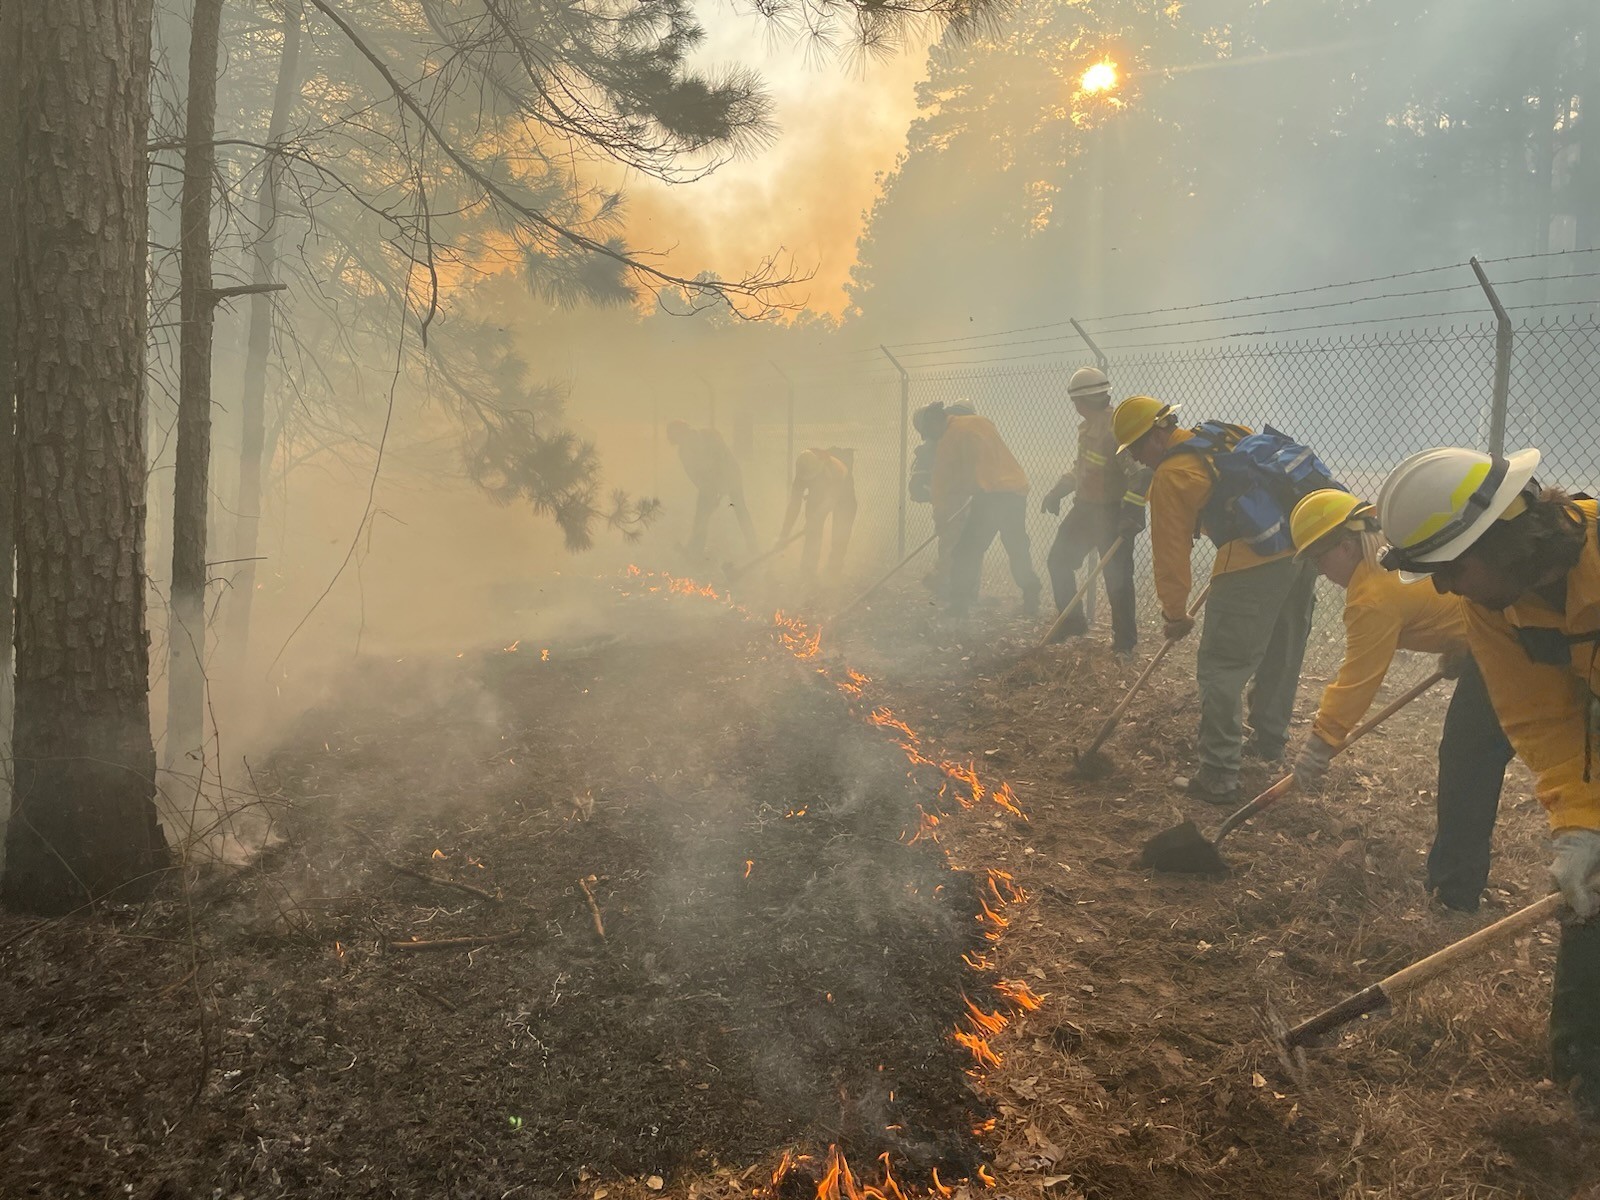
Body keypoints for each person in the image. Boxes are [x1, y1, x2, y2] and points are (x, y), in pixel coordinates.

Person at [1375, 445, 1600, 1114]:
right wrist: (1580, 824)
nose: (1444, 590)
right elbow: (1539, 719)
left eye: (1451, 569)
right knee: (1589, 899)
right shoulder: (1495, 605)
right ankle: (1582, 1086)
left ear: (1503, 538)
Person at [1288, 489, 1513, 912]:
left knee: (1469, 758)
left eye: (1319, 559)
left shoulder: (1373, 594)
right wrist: (1460, 644)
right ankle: (1453, 882)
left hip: (1509, 643)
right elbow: (1448, 598)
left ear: (1345, 544)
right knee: (1469, 755)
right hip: (1491, 636)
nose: (1320, 572)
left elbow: (1358, 678)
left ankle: (1454, 896)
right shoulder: (1395, 547)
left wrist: (1321, 741)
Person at [1113, 396, 1317, 805]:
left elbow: (1169, 552)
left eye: (1136, 448)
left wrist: (1175, 613)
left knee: (1222, 666)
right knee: (1282, 650)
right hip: (1301, 549)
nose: (1136, 459)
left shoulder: (1170, 475)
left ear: (1157, 434)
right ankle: (1269, 744)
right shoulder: (1223, 433)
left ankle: (1220, 773)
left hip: (1250, 561)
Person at [1041, 366, 1148, 655]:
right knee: (1058, 561)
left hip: (1115, 514)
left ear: (1082, 401)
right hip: (1086, 510)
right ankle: (1072, 622)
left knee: (1118, 580)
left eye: (1075, 401)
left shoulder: (1117, 429)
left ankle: (1124, 645)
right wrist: (1058, 491)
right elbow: (1082, 468)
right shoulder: (1088, 427)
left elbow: (1140, 475)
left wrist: (1133, 514)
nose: (1074, 406)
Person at [926, 405, 1041, 618]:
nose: (931, 438)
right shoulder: (980, 421)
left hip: (990, 495)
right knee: (1016, 548)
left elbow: (943, 482)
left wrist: (941, 514)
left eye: (929, 433)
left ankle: (958, 606)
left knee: (966, 551)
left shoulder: (948, 438)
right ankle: (1031, 594)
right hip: (1015, 490)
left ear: (934, 424)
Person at [666, 420, 760, 558]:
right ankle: (695, 551)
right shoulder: (683, 452)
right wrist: (709, 493)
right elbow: (695, 476)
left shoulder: (709, 435)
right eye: (677, 441)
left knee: (740, 510)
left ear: (685, 431)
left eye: (680, 438)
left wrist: (720, 490)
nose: (680, 443)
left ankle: (754, 548)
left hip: (731, 475)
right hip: (709, 484)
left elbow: (724, 460)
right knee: (701, 515)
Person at [910, 400, 975, 599]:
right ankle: (953, 588)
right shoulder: (937, 444)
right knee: (955, 544)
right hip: (951, 502)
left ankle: (956, 588)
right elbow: (918, 487)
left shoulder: (953, 437)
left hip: (958, 500)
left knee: (960, 545)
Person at [778, 447, 857, 588]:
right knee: (812, 534)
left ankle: (833, 572)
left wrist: (814, 520)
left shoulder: (835, 469)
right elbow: (794, 505)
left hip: (844, 494)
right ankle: (807, 572)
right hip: (819, 495)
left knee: (840, 532)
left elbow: (831, 500)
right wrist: (784, 534)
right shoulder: (802, 471)